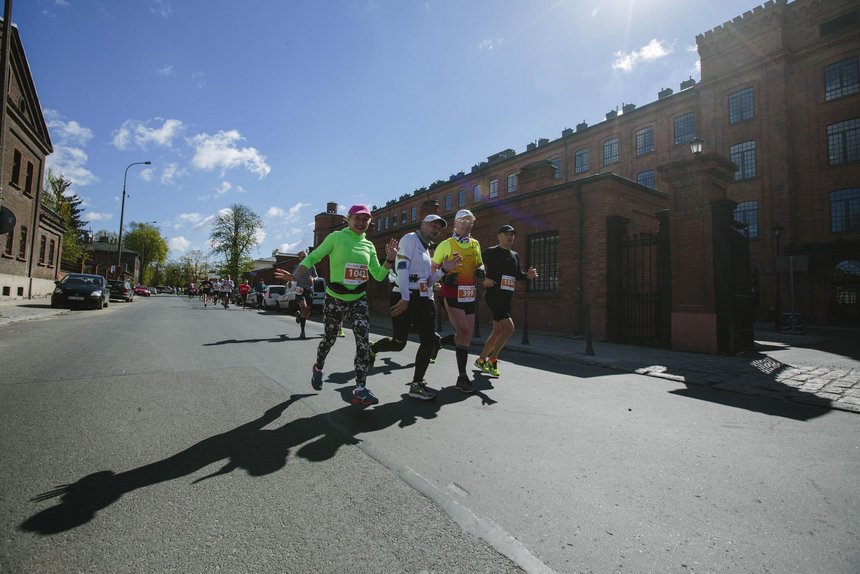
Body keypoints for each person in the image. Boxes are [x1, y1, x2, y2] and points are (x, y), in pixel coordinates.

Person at [275, 205, 397, 406]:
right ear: (348, 220)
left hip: (358, 299)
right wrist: (296, 276)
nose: (361, 223)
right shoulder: (336, 238)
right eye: (357, 218)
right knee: (329, 340)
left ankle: (360, 388)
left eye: (365, 220)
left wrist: (390, 260)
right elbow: (314, 256)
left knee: (363, 342)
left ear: (369, 222)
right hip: (335, 298)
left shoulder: (368, 246)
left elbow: (378, 274)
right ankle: (318, 367)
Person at [370, 214, 461, 400]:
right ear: (422, 224)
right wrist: (405, 298)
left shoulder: (427, 251)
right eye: (432, 225)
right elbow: (403, 270)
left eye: (439, 228)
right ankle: (372, 349)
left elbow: (427, 281)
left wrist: (444, 269)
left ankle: (417, 384)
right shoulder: (410, 239)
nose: (436, 230)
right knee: (398, 344)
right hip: (404, 295)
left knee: (428, 341)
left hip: (423, 298)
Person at [431, 209, 485, 393]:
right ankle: (462, 377)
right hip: (452, 294)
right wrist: (444, 278)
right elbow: (432, 268)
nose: (467, 225)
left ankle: (440, 343)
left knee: (466, 336)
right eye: (463, 221)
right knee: (465, 331)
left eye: (470, 222)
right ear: (455, 223)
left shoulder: (475, 244)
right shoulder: (446, 244)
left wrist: (481, 270)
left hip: (469, 295)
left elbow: (479, 263)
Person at [476, 224, 538, 377]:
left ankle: (481, 359)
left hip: (506, 298)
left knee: (497, 331)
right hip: (493, 295)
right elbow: (476, 267)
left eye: (512, 235)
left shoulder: (514, 255)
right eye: (506, 234)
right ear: (499, 236)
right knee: (509, 328)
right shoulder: (491, 252)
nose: (510, 237)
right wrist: (484, 279)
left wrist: (527, 276)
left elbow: (517, 274)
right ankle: (493, 360)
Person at [292, 251, 318, 339]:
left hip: (309, 290)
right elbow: (292, 278)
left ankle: (300, 315)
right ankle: (302, 332)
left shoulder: (311, 266)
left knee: (307, 311)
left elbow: (316, 276)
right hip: (299, 290)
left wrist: (313, 278)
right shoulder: (297, 267)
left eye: (305, 256)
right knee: (303, 306)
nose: (304, 258)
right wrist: (290, 282)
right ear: (299, 258)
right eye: (302, 257)